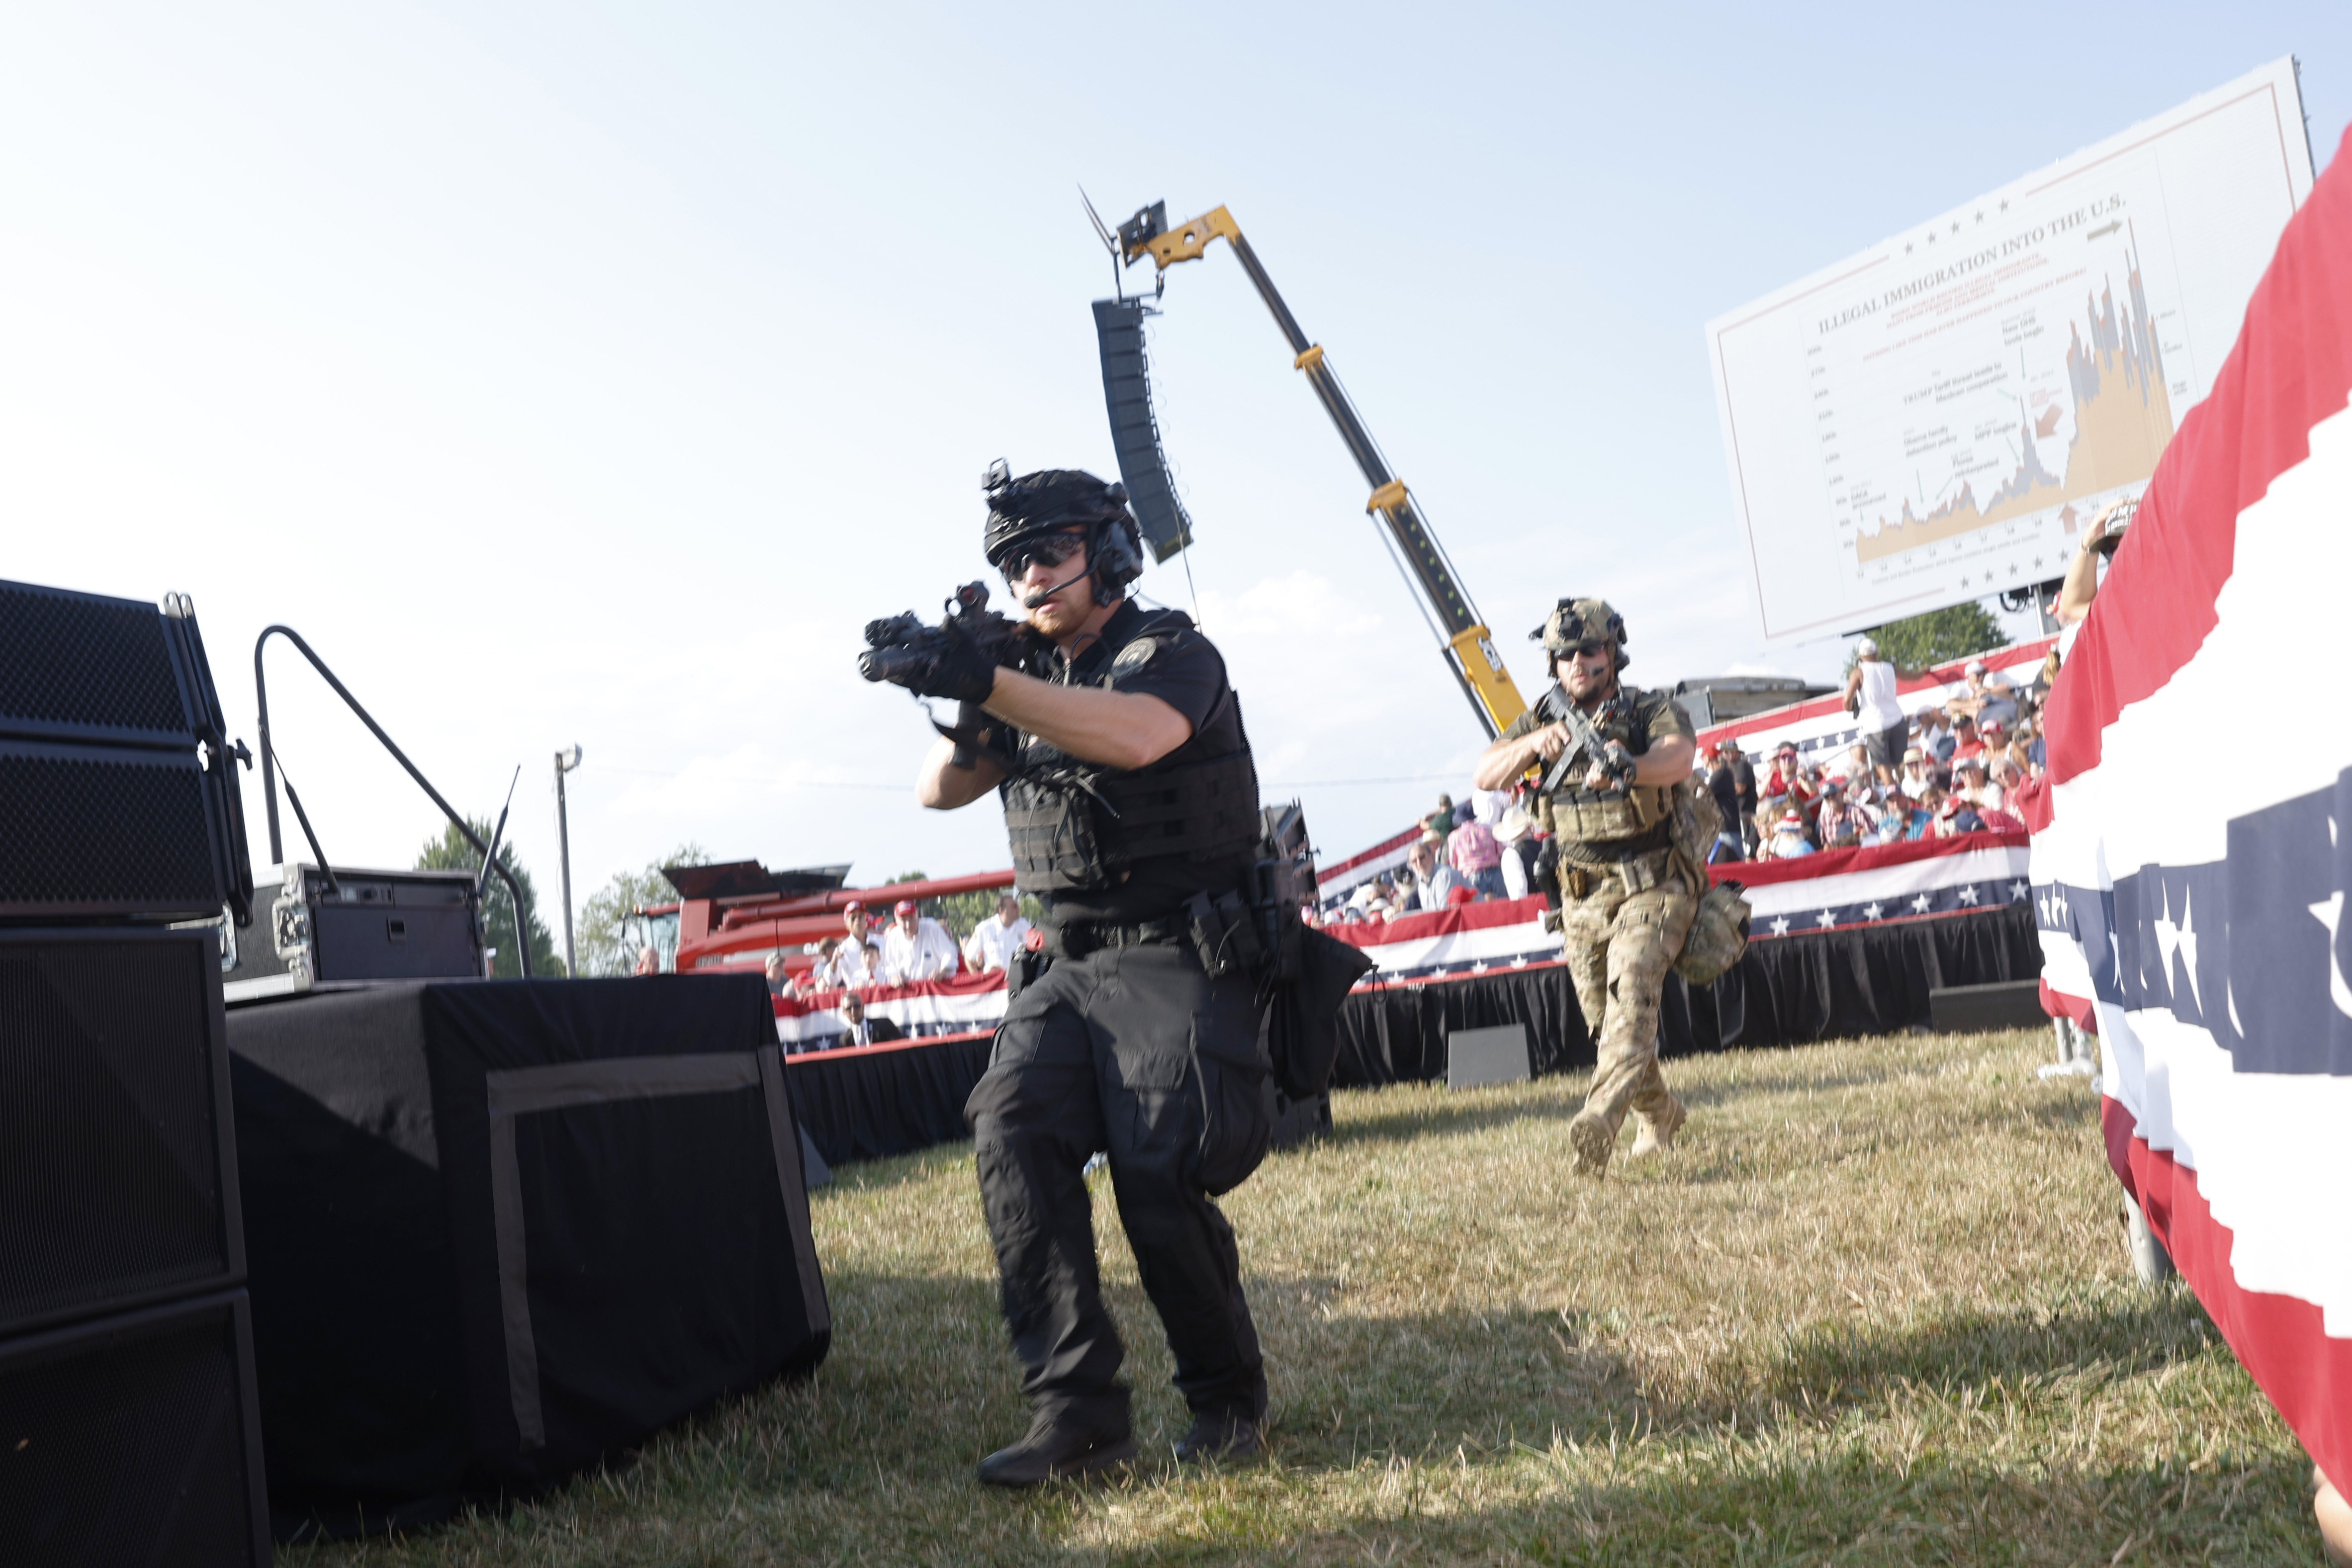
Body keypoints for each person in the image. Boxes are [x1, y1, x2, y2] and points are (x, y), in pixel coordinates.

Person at [882, 463, 1278, 1483]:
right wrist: (965, 684)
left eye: (1047, 551)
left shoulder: (1172, 650)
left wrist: (989, 682)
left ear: (1106, 551)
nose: (1027, 575)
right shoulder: (1025, 679)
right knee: (1009, 1128)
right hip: (1070, 964)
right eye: (1010, 561)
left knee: (1155, 1168)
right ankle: (1077, 1416)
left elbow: (1138, 735)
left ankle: (1227, 1397)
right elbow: (939, 791)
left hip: (1180, 948)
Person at [1473, 597, 1699, 1179]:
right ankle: (1661, 1113)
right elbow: (1484, 772)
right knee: (1607, 1022)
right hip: (1580, 898)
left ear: (1612, 654)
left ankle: (1598, 1120)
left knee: (1631, 999)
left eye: (1589, 650)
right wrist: (1530, 744)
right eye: (1564, 653)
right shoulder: (1541, 719)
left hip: (1651, 883)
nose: (1577, 661)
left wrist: (1631, 765)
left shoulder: (1648, 709)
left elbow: (1678, 757)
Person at [1842, 636, 1914, 771]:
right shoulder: (1891, 668)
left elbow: (1847, 701)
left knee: (1883, 767)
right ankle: (1903, 790)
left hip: (1875, 725)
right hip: (1898, 720)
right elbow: (1913, 676)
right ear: (1877, 653)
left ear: (1861, 656)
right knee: (1902, 767)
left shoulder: (1859, 672)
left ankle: (1893, 790)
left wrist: (1852, 708)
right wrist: (1924, 670)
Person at [882, 897, 960, 985]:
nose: (908, 925)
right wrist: (894, 976)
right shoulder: (894, 936)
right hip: (907, 992)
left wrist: (943, 971)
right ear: (896, 920)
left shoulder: (932, 928)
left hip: (934, 988)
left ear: (917, 916)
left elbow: (949, 953)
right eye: (903, 920)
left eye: (911, 918)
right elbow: (889, 964)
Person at [965, 892, 1034, 973]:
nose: (1018, 909)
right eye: (1014, 907)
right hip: (996, 984)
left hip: (1018, 982)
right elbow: (969, 957)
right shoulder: (985, 929)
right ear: (1002, 910)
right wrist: (978, 979)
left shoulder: (1025, 926)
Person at [1445, 811, 1505, 899]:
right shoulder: (1488, 830)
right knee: (1505, 905)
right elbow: (1501, 852)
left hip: (1471, 876)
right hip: (1494, 872)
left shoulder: (1453, 837)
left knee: (1479, 910)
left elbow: (1453, 863)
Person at [836, 991, 904, 1048]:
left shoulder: (884, 1025)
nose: (853, 1011)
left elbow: (900, 1048)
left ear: (863, 1007)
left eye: (856, 1006)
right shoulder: (845, 1039)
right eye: (849, 1009)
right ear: (844, 1012)